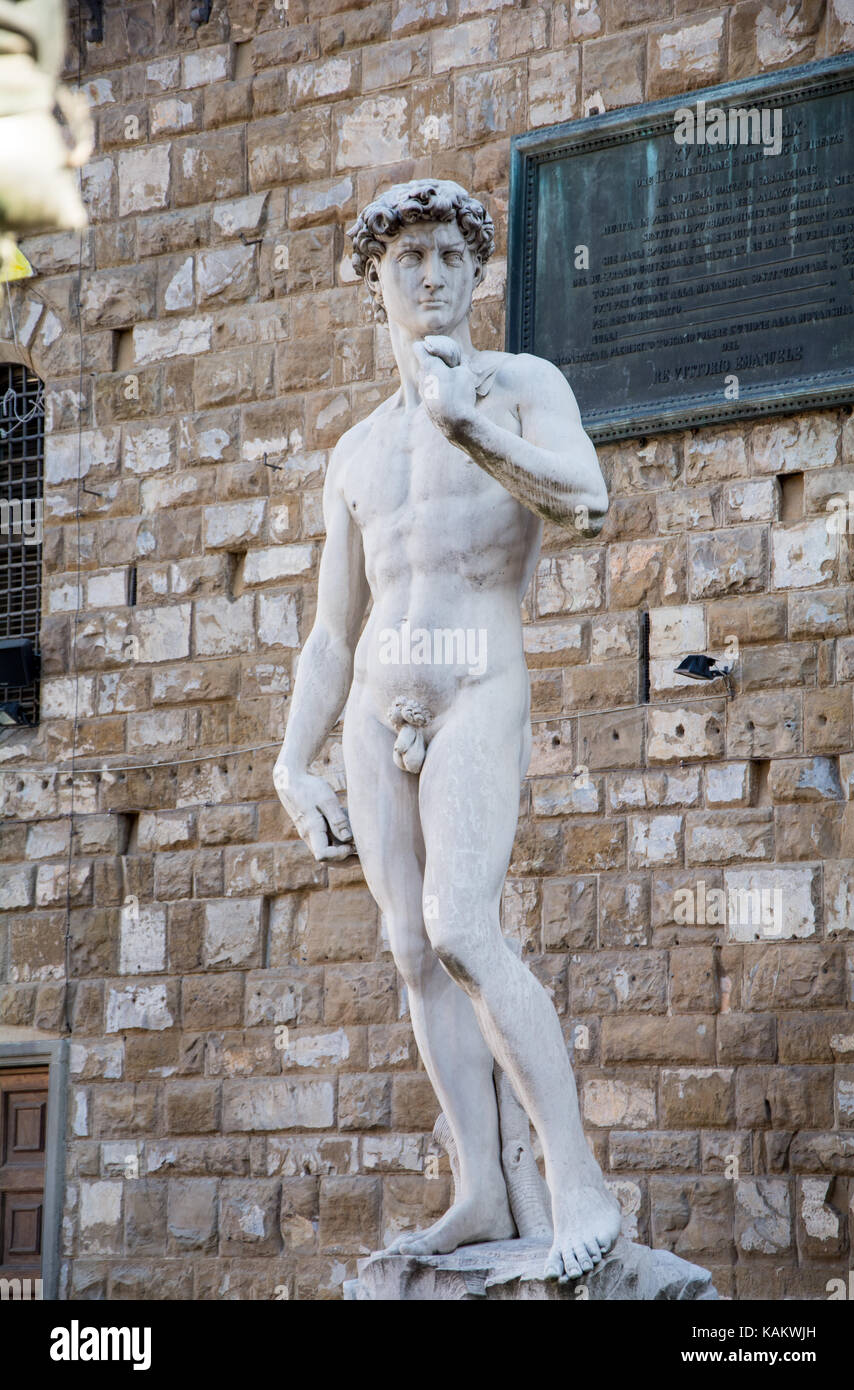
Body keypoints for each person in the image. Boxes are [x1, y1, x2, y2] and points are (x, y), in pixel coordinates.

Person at [273, 179, 620, 1281]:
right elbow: (332, 632)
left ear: (476, 274)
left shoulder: (520, 386)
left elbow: (586, 498)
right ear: (374, 281)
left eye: (445, 256)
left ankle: (572, 1176)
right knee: (412, 951)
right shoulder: (353, 452)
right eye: (406, 257)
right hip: (378, 706)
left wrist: (466, 423)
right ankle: (480, 1184)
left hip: (478, 683)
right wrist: (291, 761)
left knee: (463, 923)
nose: (427, 275)